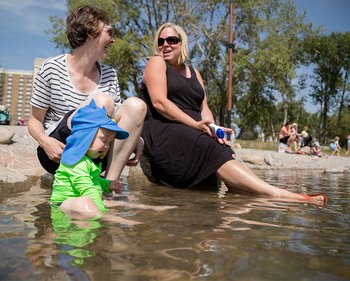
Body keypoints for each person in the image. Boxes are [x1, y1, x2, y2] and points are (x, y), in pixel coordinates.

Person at [140, 22, 326, 203]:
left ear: (182, 43)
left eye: (171, 40)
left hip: (192, 128)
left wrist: (212, 128)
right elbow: (159, 103)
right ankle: (278, 195)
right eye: (161, 41)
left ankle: (251, 193)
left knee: (224, 148)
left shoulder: (194, 72)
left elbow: (204, 107)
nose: (165, 45)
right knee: (208, 146)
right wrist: (196, 125)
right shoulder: (156, 63)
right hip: (164, 127)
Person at [28, 5, 146, 181]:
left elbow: (120, 120)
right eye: (109, 33)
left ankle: (109, 186)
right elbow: (34, 121)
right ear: (91, 33)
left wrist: (137, 139)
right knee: (101, 102)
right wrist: (45, 141)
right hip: (59, 153)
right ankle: (82, 181)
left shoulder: (110, 74)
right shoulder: (51, 67)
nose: (113, 40)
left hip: (100, 154)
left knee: (137, 106)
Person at [50, 99, 129, 219]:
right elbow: (88, 189)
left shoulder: (88, 161)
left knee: (109, 204)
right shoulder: (75, 163)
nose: (107, 145)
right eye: (103, 140)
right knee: (86, 204)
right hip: (61, 204)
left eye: (109, 142)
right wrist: (103, 212)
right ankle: (105, 217)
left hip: (77, 203)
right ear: (85, 137)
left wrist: (108, 185)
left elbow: (93, 180)